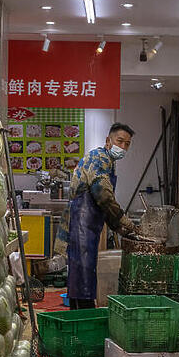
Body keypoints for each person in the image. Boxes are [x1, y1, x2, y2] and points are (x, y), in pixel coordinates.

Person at [54, 123, 138, 310]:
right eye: (120, 141)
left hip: (89, 224)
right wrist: (124, 221)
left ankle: (80, 312)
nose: (123, 147)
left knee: (83, 272)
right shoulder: (99, 157)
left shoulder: (109, 162)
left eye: (127, 144)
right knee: (82, 272)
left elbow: (103, 205)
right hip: (81, 223)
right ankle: (83, 316)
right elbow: (103, 194)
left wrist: (119, 228)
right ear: (108, 141)